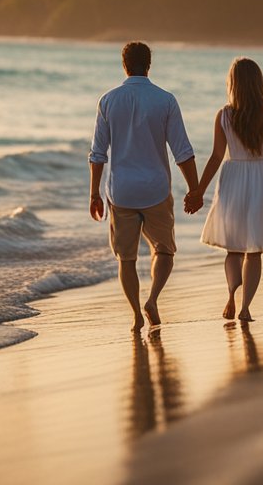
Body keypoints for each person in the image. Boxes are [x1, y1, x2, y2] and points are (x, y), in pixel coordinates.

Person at [185, 57, 263, 322]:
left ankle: (231, 294)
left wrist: (198, 191)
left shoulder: (224, 115)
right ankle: (245, 308)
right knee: (253, 250)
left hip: (232, 179)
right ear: (258, 82)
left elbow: (217, 157)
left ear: (233, 83)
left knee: (234, 248)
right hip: (262, 179)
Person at [90, 42, 200, 331]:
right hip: (156, 189)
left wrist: (94, 194)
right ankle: (152, 299)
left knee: (126, 258)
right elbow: (183, 152)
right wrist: (195, 189)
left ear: (124, 65)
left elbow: (97, 154)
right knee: (164, 251)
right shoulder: (165, 100)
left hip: (121, 192)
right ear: (148, 65)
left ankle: (136, 314)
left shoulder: (108, 100)